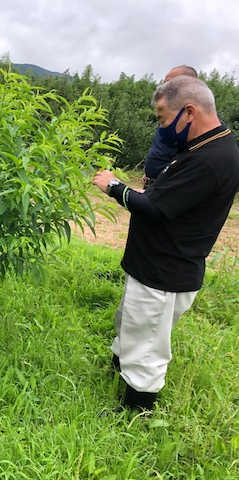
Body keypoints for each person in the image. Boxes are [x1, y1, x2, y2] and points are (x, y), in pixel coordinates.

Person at [92, 75, 239, 412]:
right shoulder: (207, 147)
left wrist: (114, 186)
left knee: (147, 345)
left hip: (165, 271)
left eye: (162, 119)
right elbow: (174, 199)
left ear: (188, 112)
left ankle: (135, 412)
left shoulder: (209, 159)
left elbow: (157, 211)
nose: (161, 127)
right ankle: (119, 372)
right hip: (156, 263)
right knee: (131, 324)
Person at [141, 65, 198, 188]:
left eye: (168, 84)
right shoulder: (171, 114)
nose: (162, 88)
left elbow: (187, 158)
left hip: (165, 189)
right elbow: (161, 149)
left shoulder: (189, 119)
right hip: (152, 185)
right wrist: (149, 171)